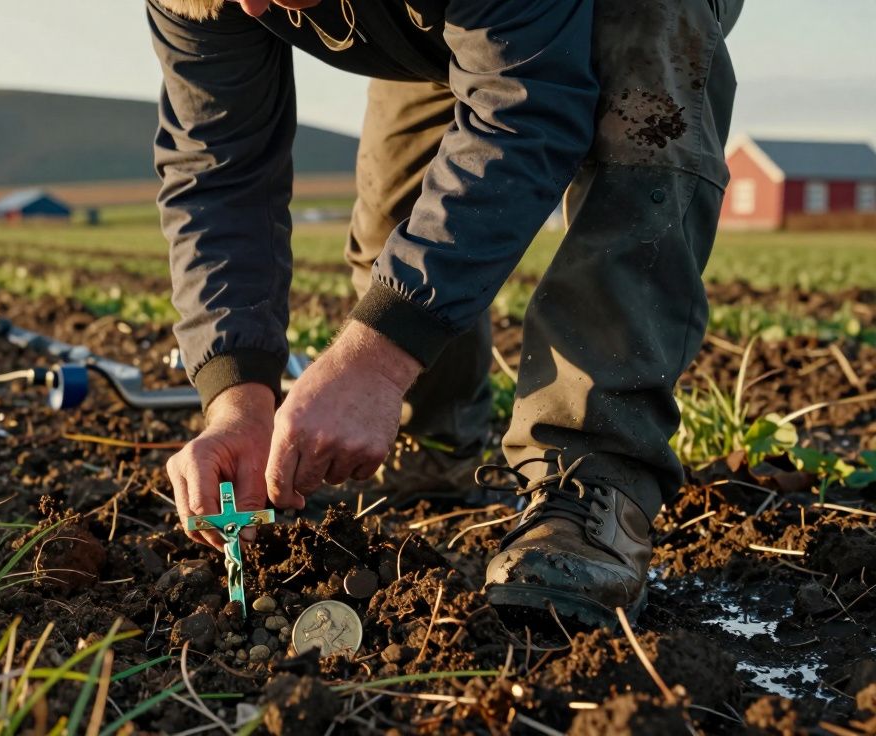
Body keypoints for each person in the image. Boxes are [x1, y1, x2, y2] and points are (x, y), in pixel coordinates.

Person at [151, 0, 741, 629]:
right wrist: (236, 400)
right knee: (396, 212)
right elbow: (218, 169)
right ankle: (432, 438)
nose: (254, 7)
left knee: (647, 81)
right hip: (436, 21)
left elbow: (526, 110)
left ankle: (592, 480)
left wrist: (377, 360)